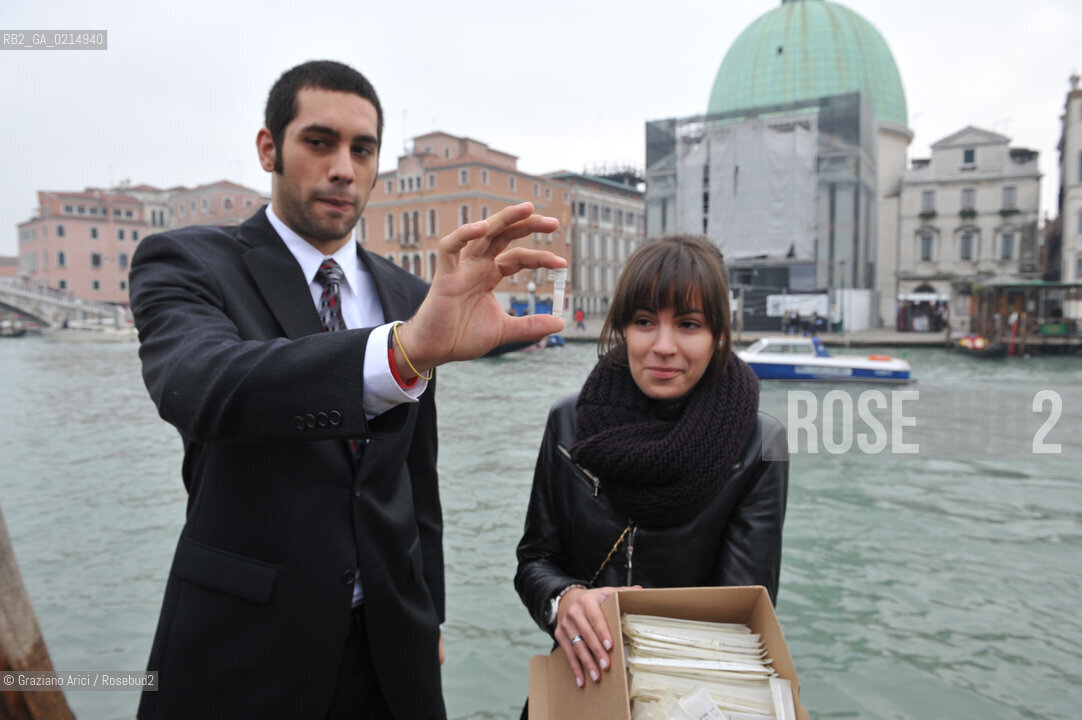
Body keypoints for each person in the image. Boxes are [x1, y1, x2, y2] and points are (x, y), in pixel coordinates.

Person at [129, 60, 565, 720]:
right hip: (245, 648)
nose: (343, 168)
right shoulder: (187, 262)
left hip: (392, 644)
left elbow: (417, 476)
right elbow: (203, 386)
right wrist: (401, 353)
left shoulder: (408, 294)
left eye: (363, 150)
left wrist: (431, 615)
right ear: (269, 148)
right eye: (319, 141)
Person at [515, 234, 788, 694]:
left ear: (718, 334)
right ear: (624, 326)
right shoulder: (568, 421)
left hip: (696, 693)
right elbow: (536, 560)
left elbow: (744, 608)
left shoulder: (762, 443)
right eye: (645, 321)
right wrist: (565, 601)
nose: (662, 346)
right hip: (584, 682)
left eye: (688, 324)